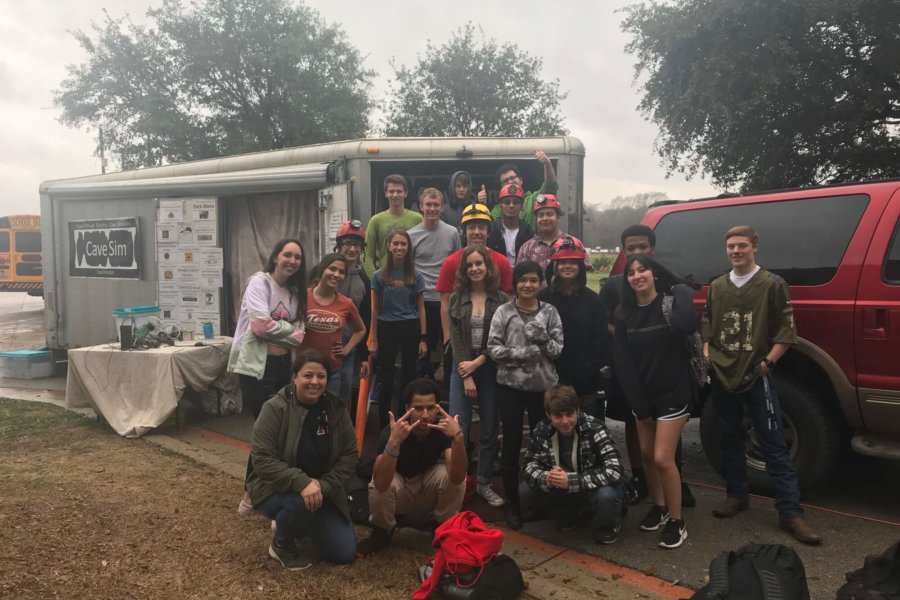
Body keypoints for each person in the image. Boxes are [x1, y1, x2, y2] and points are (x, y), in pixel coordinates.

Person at [702, 225, 822, 545]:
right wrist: (707, 350)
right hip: (724, 374)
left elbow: (786, 331)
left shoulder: (772, 285)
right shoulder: (717, 286)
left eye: (742, 245)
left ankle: (790, 513)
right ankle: (736, 494)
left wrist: (769, 362)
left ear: (755, 246)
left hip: (757, 375)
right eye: (731, 246)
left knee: (773, 443)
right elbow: (708, 324)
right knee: (729, 437)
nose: (736, 251)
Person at [599, 224, 695, 508]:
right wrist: (626, 338)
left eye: (643, 247)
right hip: (630, 363)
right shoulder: (615, 285)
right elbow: (604, 319)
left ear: (652, 249)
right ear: (623, 251)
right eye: (631, 249)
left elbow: (684, 324)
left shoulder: (666, 283)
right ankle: (642, 478)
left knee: (667, 434)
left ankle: (675, 481)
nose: (637, 254)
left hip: (666, 371)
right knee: (635, 423)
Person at [614, 254, 699, 549]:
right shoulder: (624, 314)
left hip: (674, 393)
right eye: (631, 272)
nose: (637, 276)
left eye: (643, 269)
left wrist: (684, 291)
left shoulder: (670, 303)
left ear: (654, 273)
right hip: (644, 397)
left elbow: (688, 326)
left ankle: (678, 521)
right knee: (647, 456)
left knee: (664, 458)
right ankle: (660, 507)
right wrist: (638, 402)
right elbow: (623, 362)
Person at [248, 349, 358, 570]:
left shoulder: (336, 408)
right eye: (308, 375)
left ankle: (300, 523)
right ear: (294, 377)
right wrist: (302, 483)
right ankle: (281, 543)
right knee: (297, 503)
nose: (314, 382)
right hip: (276, 489)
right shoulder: (274, 408)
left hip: (321, 490)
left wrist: (323, 485)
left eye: (321, 376)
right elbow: (262, 459)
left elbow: (350, 455)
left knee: (344, 552)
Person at [228, 238, 307, 515]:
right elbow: (260, 326)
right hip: (255, 368)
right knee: (267, 428)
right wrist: (289, 331)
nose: (292, 261)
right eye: (287, 255)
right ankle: (250, 493)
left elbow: (301, 334)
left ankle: (265, 487)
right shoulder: (259, 283)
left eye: (297, 257)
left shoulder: (295, 292)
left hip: (283, 365)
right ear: (276, 257)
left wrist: (286, 332)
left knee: (279, 428)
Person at [487, 260, 564, 528]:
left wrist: (541, 339)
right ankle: (513, 504)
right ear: (515, 284)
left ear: (541, 283)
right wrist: (521, 354)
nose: (528, 285)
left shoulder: (550, 312)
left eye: (533, 280)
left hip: (543, 389)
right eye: (523, 280)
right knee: (510, 445)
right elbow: (493, 349)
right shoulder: (504, 312)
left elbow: (557, 350)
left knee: (544, 444)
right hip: (511, 388)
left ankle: (542, 500)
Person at [357, 378, 467, 556]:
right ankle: (382, 532)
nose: (425, 415)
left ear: (438, 408)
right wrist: (393, 443)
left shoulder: (443, 428)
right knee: (379, 484)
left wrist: (458, 439)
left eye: (431, 408)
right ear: (408, 408)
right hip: (398, 488)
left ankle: (442, 528)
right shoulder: (394, 430)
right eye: (418, 408)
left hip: (425, 484)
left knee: (452, 477)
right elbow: (381, 482)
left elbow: (457, 477)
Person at [521, 384, 625, 543]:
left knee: (607, 496)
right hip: (560, 486)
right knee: (524, 490)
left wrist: (572, 480)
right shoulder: (542, 429)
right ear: (548, 415)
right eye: (558, 415)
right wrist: (547, 477)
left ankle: (607, 526)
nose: (565, 421)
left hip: (591, 486)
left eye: (569, 414)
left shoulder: (595, 428)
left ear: (577, 410)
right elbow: (528, 466)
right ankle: (567, 512)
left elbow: (615, 470)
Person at [448, 245, 508, 507]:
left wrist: (479, 363)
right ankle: (456, 483)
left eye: (479, 264)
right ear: (464, 269)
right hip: (462, 369)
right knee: (457, 428)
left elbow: (501, 340)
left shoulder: (503, 300)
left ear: (487, 267)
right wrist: (466, 372)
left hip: (490, 368)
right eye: (469, 265)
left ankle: (483, 482)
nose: (474, 269)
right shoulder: (456, 298)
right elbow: (456, 340)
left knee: (488, 429)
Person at [436, 203, 513, 374]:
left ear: (489, 231)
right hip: (460, 342)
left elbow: (508, 304)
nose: (477, 232)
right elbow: (445, 305)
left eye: (482, 227)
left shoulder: (502, 262)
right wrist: (448, 339)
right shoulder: (451, 263)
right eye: (471, 227)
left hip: (493, 345)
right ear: (464, 231)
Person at [538, 236, 606, 417]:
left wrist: (590, 369)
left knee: (590, 436)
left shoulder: (593, 300)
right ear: (554, 266)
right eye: (562, 262)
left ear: (581, 266)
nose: (567, 266)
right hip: (550, 379)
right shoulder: (543, 299)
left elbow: (600, 338)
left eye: (572, 262)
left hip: (585, 382)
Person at [371, 229, 428, 430]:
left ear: (408, 247)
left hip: (410, 326)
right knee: (386, 376)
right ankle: (385, 425)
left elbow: (421, 308)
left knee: (409, 375)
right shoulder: (378, 276)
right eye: (396, 243)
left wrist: (423, 337)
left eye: (403, 244)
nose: (399, 247)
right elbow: (374, 308)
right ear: (388, 246)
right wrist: (373, 338)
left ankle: (406, 420)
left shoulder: (416, 275)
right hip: (386, 327)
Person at [409, 188, 462, 379]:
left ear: (442, 207)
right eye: (428, 205)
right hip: (421, 302)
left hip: (446, 301)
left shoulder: (452, 233)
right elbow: (409, 270)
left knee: (450, 348)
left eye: (436, 205)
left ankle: (449, 390)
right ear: (421, 206)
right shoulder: (411, 235)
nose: (432, 208)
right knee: (423, 352)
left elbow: (457, 265)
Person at [300, 253, 367, 399]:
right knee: (302, 414)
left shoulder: (346, 303)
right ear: (322, 269)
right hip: (303, 370)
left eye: (341, 272)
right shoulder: (302, 297)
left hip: (331, 371)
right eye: (332, 269)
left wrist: (347, 349)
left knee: (328, 415)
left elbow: (361, 330)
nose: (336, 274)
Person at [334, 220, 371, 412]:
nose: (352, 248)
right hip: (324, 340)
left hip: (349, 345)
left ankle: (339, 429)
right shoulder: (327, 271)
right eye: (347, 243)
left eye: (356, 244)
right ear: (339, 245)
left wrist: (364, 356)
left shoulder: (364, 280)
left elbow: (365, 318)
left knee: (345, 386)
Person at [479, 150, 558, 230]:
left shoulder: (534, 199)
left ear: (520, 180)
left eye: (512, 178)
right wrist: (482, 205)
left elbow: (550, 186)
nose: (510, 182)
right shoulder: (498, 209)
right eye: (505, 181)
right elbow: (489, 228)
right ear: (501, 187)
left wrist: (547, 163)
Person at [363, 174, 423, 276]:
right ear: (386, 193)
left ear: (406, 193)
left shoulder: (418, 219)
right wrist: (376, 280)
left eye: (399, 191)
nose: (395, 195)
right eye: (391, 191)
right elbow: (366, 255)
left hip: (411, 279)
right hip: (385, 280)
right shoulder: (376, 220)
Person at [516, 193, 591, 272]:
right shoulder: (527, 248)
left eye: (549, 214)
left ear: (558, 217)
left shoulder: (574, 244)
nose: (544, 218)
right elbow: (520, 277)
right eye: (541, 215)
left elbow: (583, 276)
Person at [486, 183, 535, 266]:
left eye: (516, 202)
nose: (511, 206)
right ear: (500, 205)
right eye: (507, 202)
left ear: (522, 206)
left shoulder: (528, 231)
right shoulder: (492, 230)